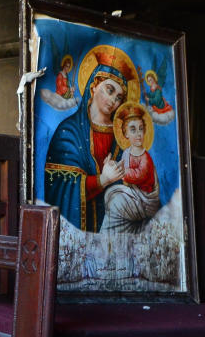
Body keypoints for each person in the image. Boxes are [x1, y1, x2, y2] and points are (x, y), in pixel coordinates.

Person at [43, 45, 138, 232]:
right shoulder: (69, 131)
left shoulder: (123, 137)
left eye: (119, 97)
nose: (113, 101)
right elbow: (60, 187)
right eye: (109, 90)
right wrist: (103, 180)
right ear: (94, 86)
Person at [102, 102, 160, 233]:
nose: (138, 134)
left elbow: (138, 175)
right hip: (133, 194)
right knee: (109, 195)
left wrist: (119, 171)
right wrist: (112, 165)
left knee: (116, 202)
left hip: (145, 200)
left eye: (141, 128)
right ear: (125, 133)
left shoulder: (145, 158)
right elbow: (123, 169)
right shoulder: (127, 152)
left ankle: (106, 236)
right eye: (133, 129)